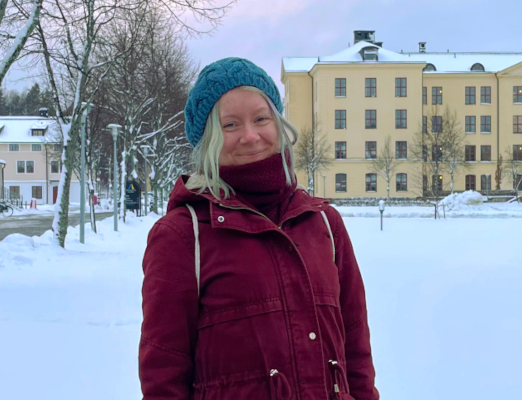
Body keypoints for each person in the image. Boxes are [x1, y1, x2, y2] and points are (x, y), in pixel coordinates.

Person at [139, 57, 379, 400]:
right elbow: (163, 374)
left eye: (261, 118)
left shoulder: (325, 224)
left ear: (278, 124)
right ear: (208, 140)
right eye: (230, 125)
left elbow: (355, 349)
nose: (250, 136)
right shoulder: (182, 236)